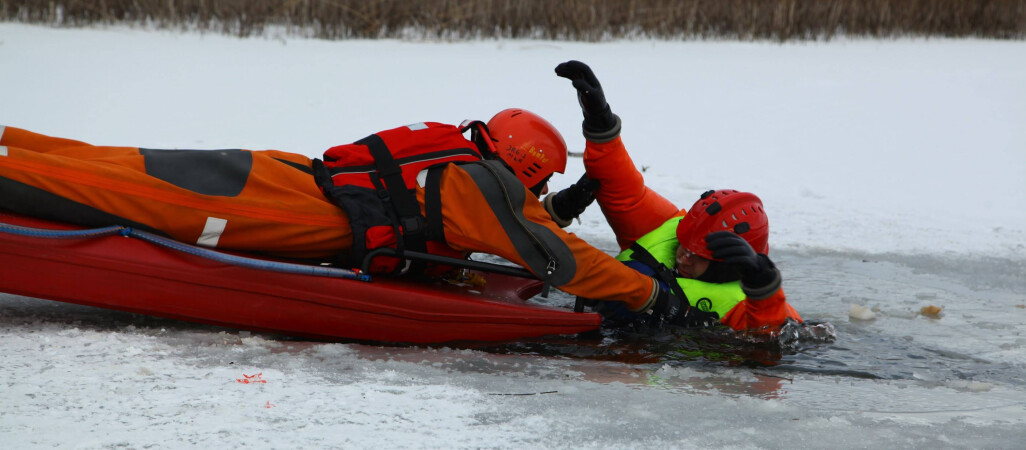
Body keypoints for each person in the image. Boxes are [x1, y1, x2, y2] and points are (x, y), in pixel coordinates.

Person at [0, 111, 708, 326]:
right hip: (265, 208)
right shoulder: (478, 181)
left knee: (102, 165)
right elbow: (556, 260)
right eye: (542, 182)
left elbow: (485, 223)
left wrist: (563, 208)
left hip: (279, 177)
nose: (539, 191)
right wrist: (646, 292)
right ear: (521, 164)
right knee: (97, 186)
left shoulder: (458, 162)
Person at [544, 60, 802, 332]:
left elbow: (777, 341)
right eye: (684, 245)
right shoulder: (668, 227)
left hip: (657, 367)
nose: (683, 258)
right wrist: (600, 122)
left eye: (696, 256)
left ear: (726, 268)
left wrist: (764, 289)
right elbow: (621, 189)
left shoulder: (745, 304)